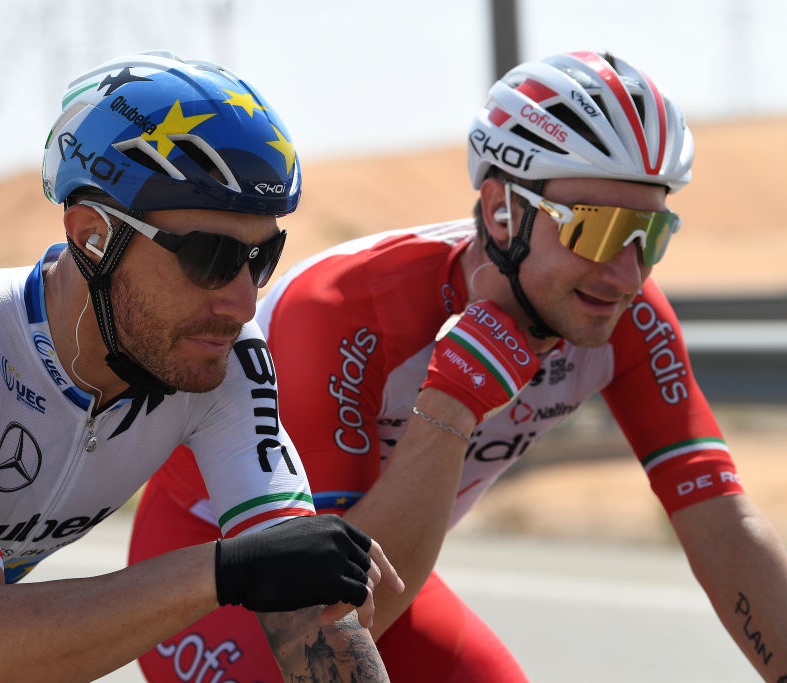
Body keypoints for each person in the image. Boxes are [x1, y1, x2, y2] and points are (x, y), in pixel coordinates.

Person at [131, 50, 787, 682]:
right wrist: (450, 405)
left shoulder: (630, 316)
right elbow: (331, 621)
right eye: (599, 229)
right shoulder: (344, 308)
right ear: (504, 212)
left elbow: (722, 526)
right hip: (212, 558)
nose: (626, 271)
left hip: (377, 557)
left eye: (651, 235)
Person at [0, 51, 404, 682]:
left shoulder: (221, 350)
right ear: (94, 235)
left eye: (262, 258)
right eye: (209, 257)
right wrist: (225, 569)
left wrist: (284, 575)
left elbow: (307, 609)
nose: (242, 300)